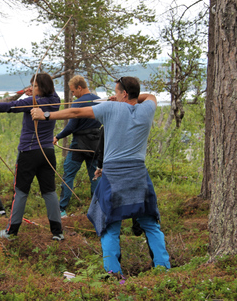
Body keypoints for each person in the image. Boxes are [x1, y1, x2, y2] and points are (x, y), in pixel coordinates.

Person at [31, 76, 170, 275]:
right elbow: (150, 96)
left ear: (123, 93)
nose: (113, 95)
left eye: (116, 91)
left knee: (109, 224)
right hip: (139, 174)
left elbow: (76, 112)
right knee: (149, 223)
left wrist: (45, 115)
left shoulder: (110, 108)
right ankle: (163, 269)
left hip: (114, 175)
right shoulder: (147, 109)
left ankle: (113, 273)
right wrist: (126, 99)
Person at [0, 73, 64, 241]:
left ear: (42, 88)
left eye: (35, 85)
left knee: (21, 192)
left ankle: (11, 231)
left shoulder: (33, 102)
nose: (32, 88)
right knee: (49, 191)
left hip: (29, 153)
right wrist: (34, 90)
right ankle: (57, 232)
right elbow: (49, 93)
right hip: (47, 153)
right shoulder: (55, 100)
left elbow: (10, 106)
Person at [53, 75, 102, 218]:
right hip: (96, 144)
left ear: (79, 88)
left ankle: (61, 209)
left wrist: (57, 137)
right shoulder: (99, 100)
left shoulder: (78, 103)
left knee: (69, 174)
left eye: (73, 91)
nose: (73, 94)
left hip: (79, 145)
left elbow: (71, 126)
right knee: (95, 175)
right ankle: (96, 210)